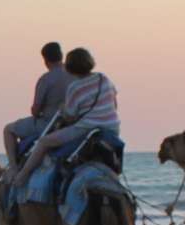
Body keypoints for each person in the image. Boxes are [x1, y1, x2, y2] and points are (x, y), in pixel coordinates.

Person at [11, 47, 120, 185]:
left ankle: (22, 176)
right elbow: (114, 102)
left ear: (69, 67)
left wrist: (63, 109)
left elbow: (70, 117)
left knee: (44, 142)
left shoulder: (75, 87)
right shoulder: (103, 78)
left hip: (86, 129)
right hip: (112, 128)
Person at [3, 42, 71, 166]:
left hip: (48, 124)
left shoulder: (46, 79)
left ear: (45, 60)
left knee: (8, 130)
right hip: (71, 124)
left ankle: (12, 168)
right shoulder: (76, 75)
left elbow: (35, 110)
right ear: (61, 56)